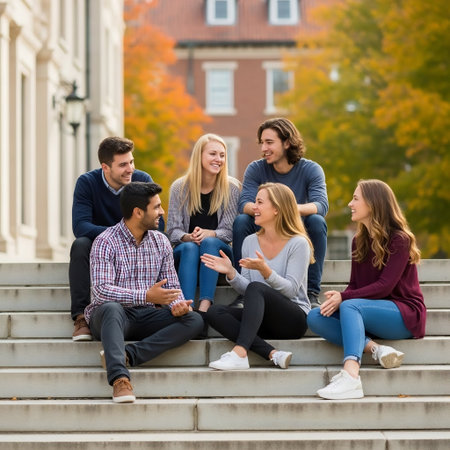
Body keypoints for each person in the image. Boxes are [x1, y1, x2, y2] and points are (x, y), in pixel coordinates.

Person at [84, 182, 203, 403]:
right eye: (156, 207)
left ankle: (130, 355)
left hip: (146, 315)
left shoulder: (161, 241)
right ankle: (120, 378)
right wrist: (146, 296)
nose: (162, 212)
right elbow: (101, 291)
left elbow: (171, 286)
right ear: (138, 212)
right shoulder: (105, 241)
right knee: (111, 308)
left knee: (194, 320)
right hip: (111, 318)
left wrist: (177, 305)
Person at [307, 179, 426, 400]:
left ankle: (351, 375)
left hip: (404, 314)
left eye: (355, 199)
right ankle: (376, 349)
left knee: (351, 305)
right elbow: (355, 285)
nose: (350, 204)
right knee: (315, 316)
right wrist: (339, 297)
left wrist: (345, 297)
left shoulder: (400, 240)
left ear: (372, 203)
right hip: (369, 310)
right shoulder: (358, 241)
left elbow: (385, 287)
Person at [200, 183, 314, 370]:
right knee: (214, 312)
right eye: (255, 202)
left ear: (276, 209)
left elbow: (291, 290)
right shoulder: (250, 241)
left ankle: (239, 352)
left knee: (257, 287)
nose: (254, 207)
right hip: (261, 319)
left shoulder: (298, 243)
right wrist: (231, 272)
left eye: (260, 202)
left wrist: (265, 271)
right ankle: (272, 353)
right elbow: (249, 290)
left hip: (293, 319)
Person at [69, 136, 163, 341]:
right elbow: (80, 226)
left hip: (137, 244)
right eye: (123, 165)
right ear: (105, 167)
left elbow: (159, 224)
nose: (130, 169)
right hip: (100, 245)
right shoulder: (87, 183)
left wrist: (130, 236)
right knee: (80, 245)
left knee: (160, 244)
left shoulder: (142, 180)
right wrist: (117, 236)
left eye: (131, 162)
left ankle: (154, 304)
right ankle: (80, 317)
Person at [232, 118, 328, 309]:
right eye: (262, 143)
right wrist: (267, 212)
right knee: (242, 221)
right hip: (265, 228)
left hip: (295, 230)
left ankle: (311, 292)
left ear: (287, 142)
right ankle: (244, 294)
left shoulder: (311, 169)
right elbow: (244, 204)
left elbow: (321, 205)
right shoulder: (256, 168)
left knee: (317, 222)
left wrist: (284, 209)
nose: (263, 149)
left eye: (269, 142)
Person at [167, 133, 240, 313]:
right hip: (186, 253)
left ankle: (205, 306)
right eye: (213, 154)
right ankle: (187, 307)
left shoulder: (231, 188)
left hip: (218, 252)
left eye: (222, 155)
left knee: (209, 242)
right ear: (199, 156)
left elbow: (230, 232)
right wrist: (188, 236)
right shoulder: (179, 187)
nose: (218, 159)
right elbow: (172, 231)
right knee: (191, 247)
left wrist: (211, 233)